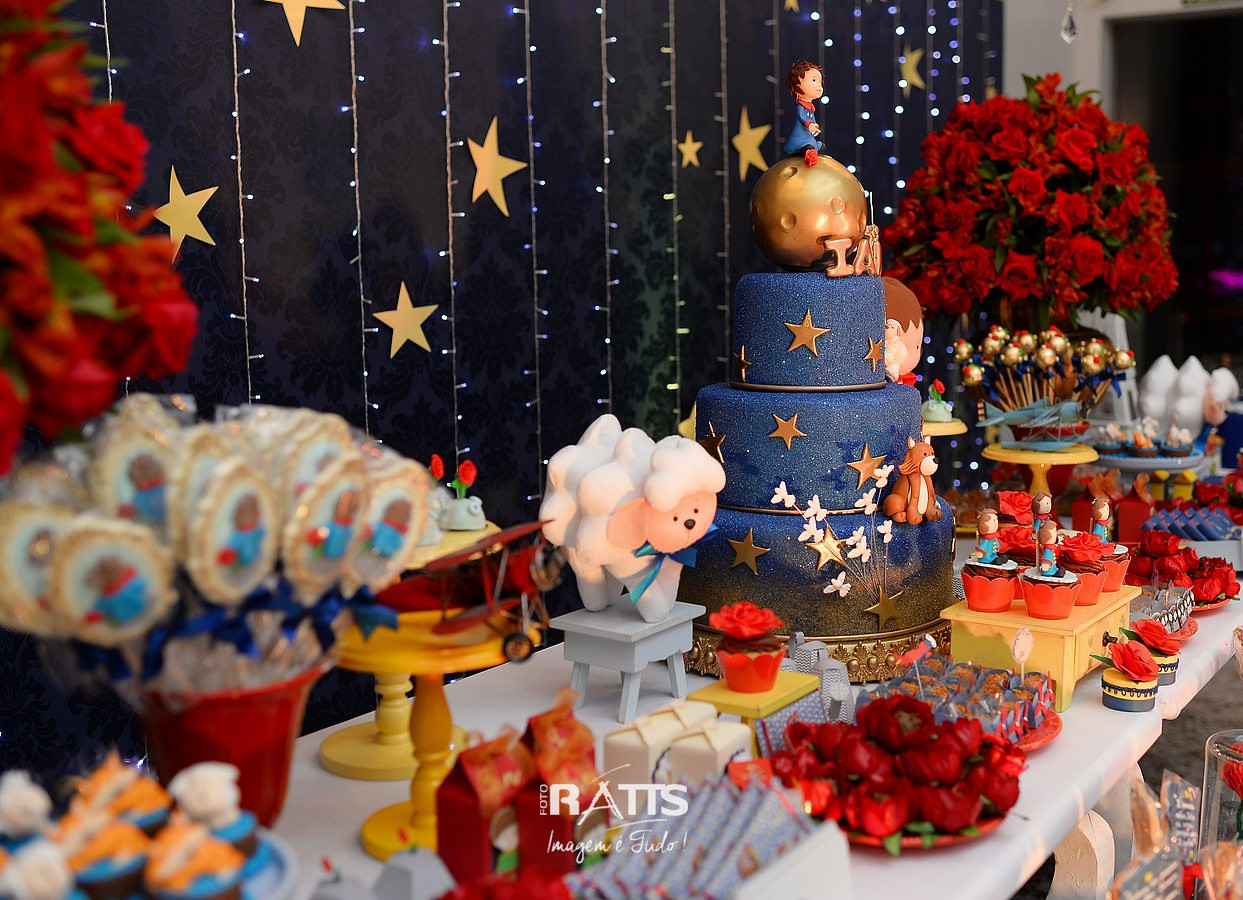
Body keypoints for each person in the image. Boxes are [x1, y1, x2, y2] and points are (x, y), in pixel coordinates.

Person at [783, 60, 825, 166]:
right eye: (814, 80)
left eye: (820, 82)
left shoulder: (810, 107)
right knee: (806, 144)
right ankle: (806, 150)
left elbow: (811, 118)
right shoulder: (801, 106)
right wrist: (809, 124)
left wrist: (814, 126)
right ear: (797, 85)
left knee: (814, 143)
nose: (819, 87)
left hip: (808, 134)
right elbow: (802, 116)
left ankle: (813, 147)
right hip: (800, 135)